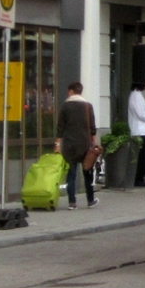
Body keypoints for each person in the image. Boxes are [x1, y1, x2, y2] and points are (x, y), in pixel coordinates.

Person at [55, 82, 99, 210]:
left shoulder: (65, 107)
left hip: (70, 145)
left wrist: (58, 144)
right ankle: (90, 200)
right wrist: (94, 142)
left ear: (71, 91)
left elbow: (60, 128)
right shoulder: (87, 106)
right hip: (85, 144)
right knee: (87, 173)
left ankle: (72, 202)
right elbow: (92, 127)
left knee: (71, 174)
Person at [128, 82, 145, 187]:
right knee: (142, 156)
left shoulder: (136, 95)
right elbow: (141, 114)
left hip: (141, 130)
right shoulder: (136, 96)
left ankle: (139, 177)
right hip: (141, 130)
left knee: (142, 155)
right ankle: (139, 178)